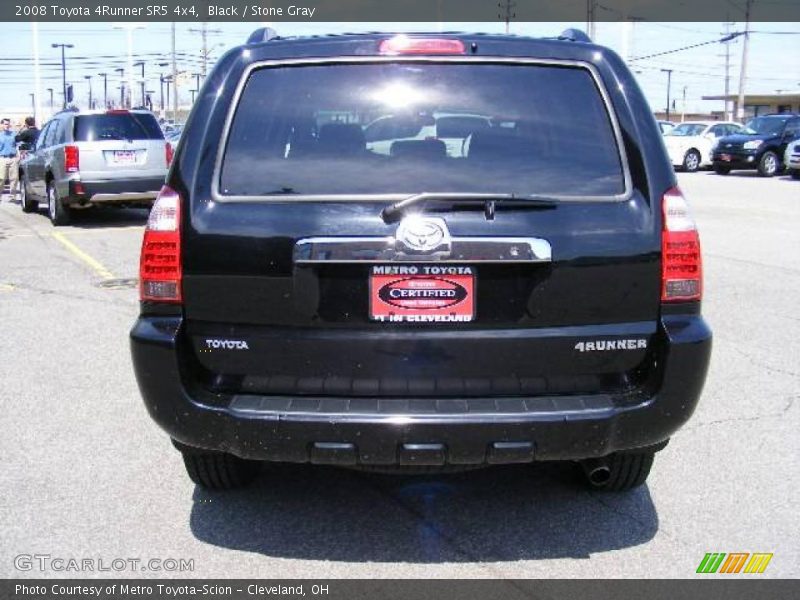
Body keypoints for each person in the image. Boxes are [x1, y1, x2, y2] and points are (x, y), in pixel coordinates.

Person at [0, 118, 19, 202]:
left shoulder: (14, 134)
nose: (6, 125)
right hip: (3, 158)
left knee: (14, 178)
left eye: (8, 124)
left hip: (13, 158)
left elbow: (18, 145)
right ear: (1, 125)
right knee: (1, 178)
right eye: (5, 124)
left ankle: (12, 197)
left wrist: (18, 156)